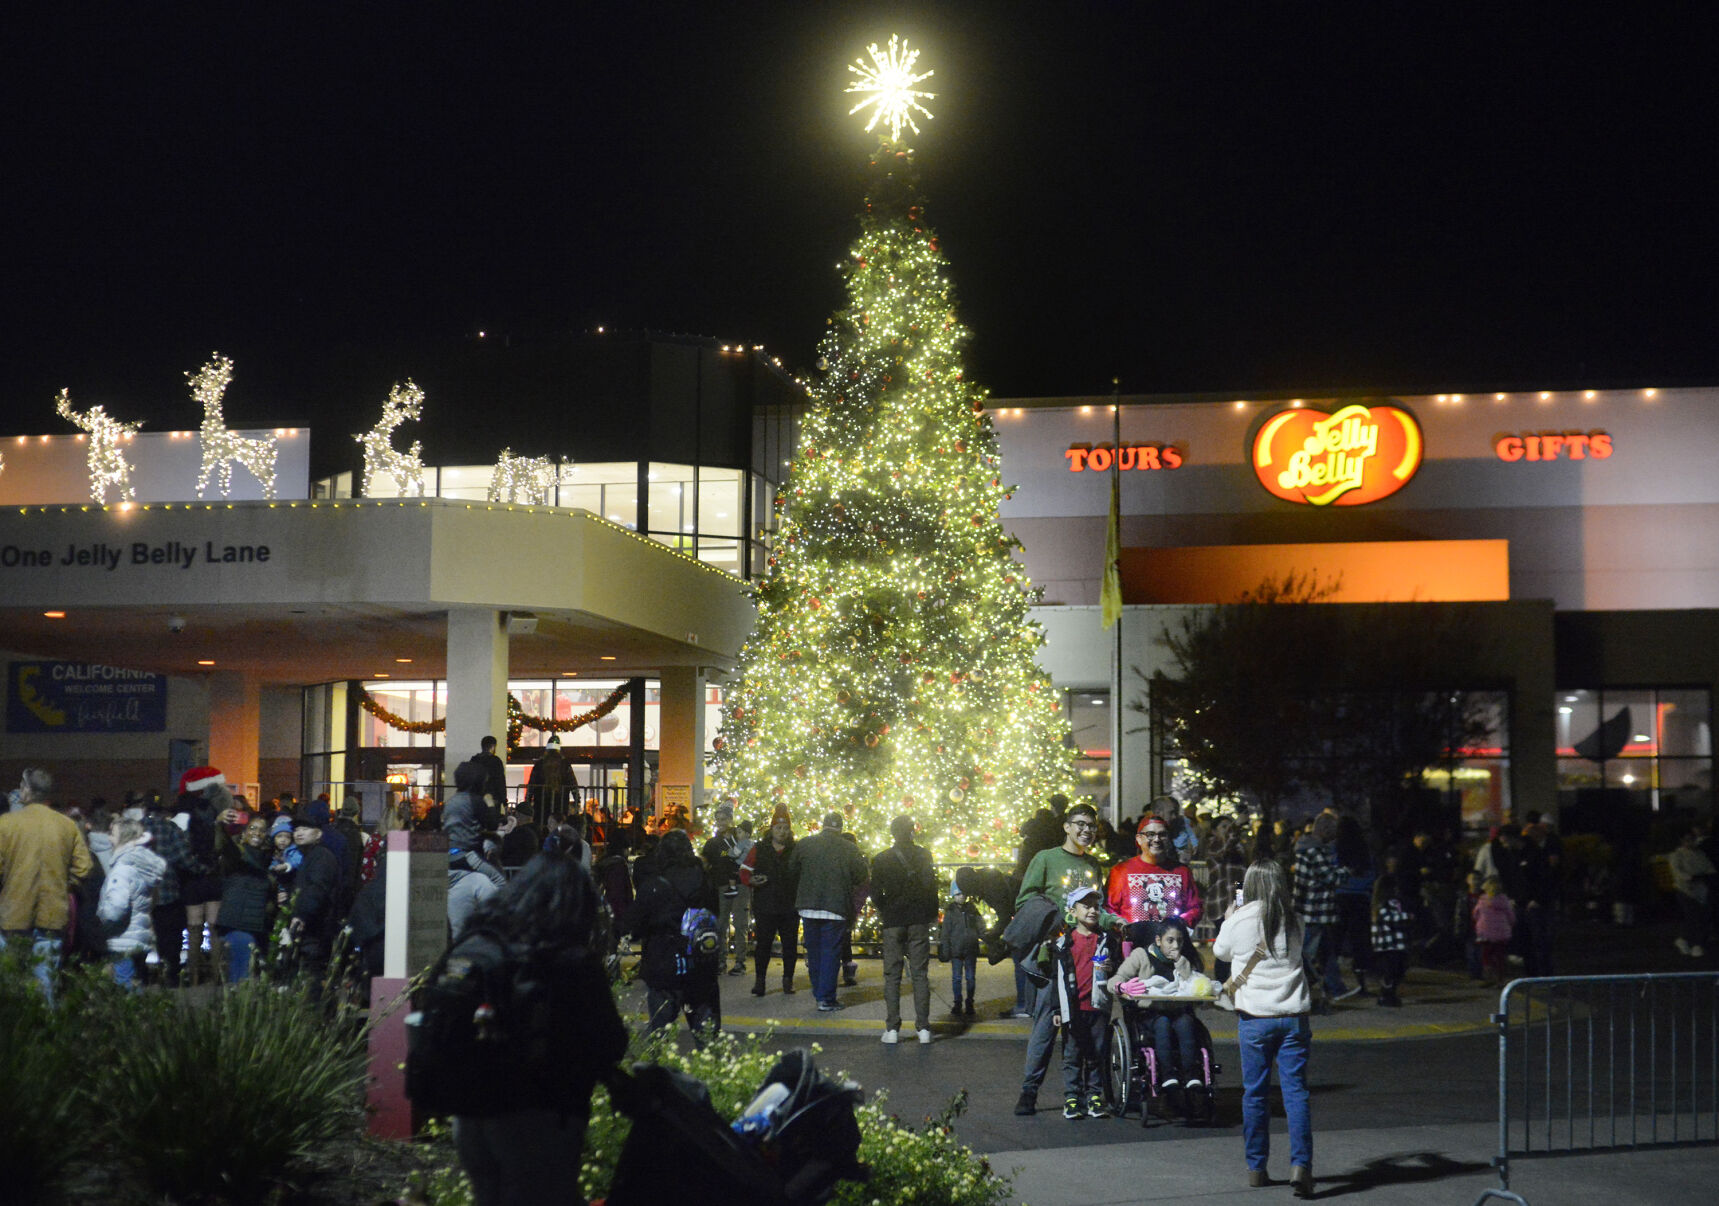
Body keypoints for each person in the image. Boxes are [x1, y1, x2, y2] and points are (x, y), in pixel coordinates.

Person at [450, 850, 626, 1206]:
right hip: (537, 1114)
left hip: (469, 1113)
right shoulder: (569, 959)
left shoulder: (483, 940)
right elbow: (610, 1042)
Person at [1213, 858, 1315, 1197]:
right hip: (1293, 1017)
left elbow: (1220, 952)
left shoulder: (1240, 919)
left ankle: (1257, 1168)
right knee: (1295, 1093)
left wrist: (1229, 919)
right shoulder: (1296, 919)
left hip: (1255, 1020)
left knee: (1255, 1094)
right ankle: (1301, 1165)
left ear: (1251, 884)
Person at [1014, 800, 1115, 1115]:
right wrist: (1058, 919)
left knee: (1088, 1025)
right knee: (1047, 1024)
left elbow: (1100, 911)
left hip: (1087, 957)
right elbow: (1025, 899)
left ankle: (1087, 1093)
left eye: (1091, 826)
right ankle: (1029, 1093)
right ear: (1067, 827)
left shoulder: (1094, 866)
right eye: (1080, 824)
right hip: (1055, 954)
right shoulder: (1045, 859)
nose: (1086, 831)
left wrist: (1119, 923)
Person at [0, 773, 96, 1003]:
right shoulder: (66, 825)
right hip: (52, 915)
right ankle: (47, 1033)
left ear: (25, 790)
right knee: (46, 986)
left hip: (13, 915)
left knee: (10, 985)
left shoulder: (6, 824)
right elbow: (84, 867)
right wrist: (65, 883)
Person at [626, 828, 722, 1041]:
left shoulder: (655, 883)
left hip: (664, 966)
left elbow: (633, 925)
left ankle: (656, 1073)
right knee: (707, 1038)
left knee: (659, 1037)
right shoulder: (704, 879)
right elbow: (714, 914)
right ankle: (708, 1073)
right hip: (700, 967)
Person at [1109, 915, 1204, 1116]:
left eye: (1179, 941)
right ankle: (1168, 1077)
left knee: (1187, 1023)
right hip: (1150, 1014)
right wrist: (1122, 986)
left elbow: (1193, 983)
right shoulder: (1140, 956)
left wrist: (1180, 961)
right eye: (1170, 940)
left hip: (1178, 1011)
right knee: (1162, 1024)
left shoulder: (1183, 959)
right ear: (1158, 940)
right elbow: (1116, 979)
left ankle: (1191, 1077)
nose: (1175, 945)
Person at [1045, 885, 1119, 1120]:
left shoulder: (1106, 940)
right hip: (1072, 1008)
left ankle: (1095, 1096)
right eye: (1086, 906)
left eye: (1096, 907)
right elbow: (1056, 979)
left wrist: (1112, 969)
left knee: (1096, 1052)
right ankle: (1072, 1096)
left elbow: (1117, 966)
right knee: (1073, 1053)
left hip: (1098, 1006)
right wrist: (1057, 1007)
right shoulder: (1064, 943)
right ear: (1073, 911)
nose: (1092, 911)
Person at [788, 811, 870, 1012]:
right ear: (840, 828)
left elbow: (792, 870)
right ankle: (826, 998)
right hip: (835, 908)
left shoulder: (805, 844)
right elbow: (861, 875)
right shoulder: (849, 848)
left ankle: (818, 991)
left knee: (814, 952)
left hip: (808, 907)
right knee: (831, 953)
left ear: (823, 825)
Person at [870, 814, 939, 1045]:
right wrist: (929, 914)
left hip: (893, 921)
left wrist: (886, 908)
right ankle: (924, 1029)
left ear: (892, 833)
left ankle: (892, 1029)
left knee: (892, 975)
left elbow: (874, 893)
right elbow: (931, 888)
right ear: (912, 831)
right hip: (918, 919)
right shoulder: (924, 855)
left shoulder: (881, 859)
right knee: (920, 975)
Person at [96, 816, 167, 990]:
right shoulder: (142, 865)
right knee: (138, 984)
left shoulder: (122, 869)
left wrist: (101, 916)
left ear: (123, 837)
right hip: (140, 935)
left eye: (112, 833)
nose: (109, 838)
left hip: (123, 939)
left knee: (125, 987)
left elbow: (116, 909)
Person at [740, 805, 800, 996]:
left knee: (790, 945)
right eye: (778, 828)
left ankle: (787, 981)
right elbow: (744, 871)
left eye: (785, 829)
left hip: (789, 906)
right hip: (765, 905)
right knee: (763, 945)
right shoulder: (760, 848)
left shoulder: (795, 850)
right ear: (772, 829)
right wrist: (751, 881)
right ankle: (760, 982)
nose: (782, 832)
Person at [1106, 814, 1203, 932]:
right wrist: (1121, 926)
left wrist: (1180, 924)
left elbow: (1195, 907)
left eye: (1162, 835)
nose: (1157, 839)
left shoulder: (1182, 872)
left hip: (1171, 946)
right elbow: (1109, 908)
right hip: (1133, 945)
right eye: (1151, 834)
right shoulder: (1121, 871)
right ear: (1139, 839)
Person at [1292, 812, 1347, 1007]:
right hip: (1316, 910)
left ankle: (1335, 988)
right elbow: (1331, 878)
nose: (1335, 834)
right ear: (1324, 830)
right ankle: (1300, 989)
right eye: (1333, 830)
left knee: (1324, 952)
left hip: (1309, 909)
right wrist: (1347, 870)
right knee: (1310, 953)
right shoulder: (1316, 851)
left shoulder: (1307, 848)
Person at [213, 811, 275, 982]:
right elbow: (224, 845)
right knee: (241, 977)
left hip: (257, 926)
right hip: (237, 924)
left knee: (250, 978)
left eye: (262, 830)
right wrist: (219, 824)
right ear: (244, 832)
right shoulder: (237, 856)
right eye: (253, 828)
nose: (257, 833)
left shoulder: (268, 858)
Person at [288, 817, 344, 995]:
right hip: (315, 926)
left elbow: (316, 889)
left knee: (312, 975)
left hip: (317, 927)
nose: (299, 833)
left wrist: (301, 915)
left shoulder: (321, 857)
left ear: (318, 833)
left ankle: (315, 1015)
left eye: (305, 828)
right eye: (296, 830)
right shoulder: (311, 856)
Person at [699, 802, 752, 976]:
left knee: (740, 924)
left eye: (723, 819)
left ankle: (740, 962)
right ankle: (720, 961)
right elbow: (705, 863)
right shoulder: (713, 843)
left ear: (731, 819)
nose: (720, 822)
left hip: (741, 886)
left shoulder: (741, 839)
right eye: (718, 819)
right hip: (721, 887)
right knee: (720, 925)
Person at [1369, 851, 1414, 1007]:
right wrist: (1407, 917)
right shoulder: (1386, 904)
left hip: (1387, 945)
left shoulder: (1380, 903)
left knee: (1394, 971)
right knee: (1392, 972)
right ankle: (1386, 996)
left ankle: (1389, 995)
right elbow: (1389, 918)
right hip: (1391, 944)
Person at [1669, 828, 1716, 958]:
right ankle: (1696, 944)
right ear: (1681, 841)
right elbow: (1678, 872)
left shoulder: (1700, 854)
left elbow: (1709, 869)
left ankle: (1685, 940)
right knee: (1693, 917)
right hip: (1685, 890)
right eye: (1687, 840)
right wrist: (1691, 877)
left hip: (1701, 890)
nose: (1690, 842)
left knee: (1702, 917)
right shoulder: (1676, 855)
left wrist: (1705, 876)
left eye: (1692, 839)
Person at [942, 871, 982, 1018]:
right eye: (958, 894)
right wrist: (945, 949)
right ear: (954, 895)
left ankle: (969, 1002)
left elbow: (980, 925)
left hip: (970, 948)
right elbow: (946, 932)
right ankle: (957, 1002)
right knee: (957, 977)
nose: (962, 897)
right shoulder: (950, 912)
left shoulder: (972, 909)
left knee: (970, 977)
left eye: (963, 894)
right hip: (956, 949)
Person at [1473, 874, 1516, 985]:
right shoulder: (1504, 900)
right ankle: (1500, 979)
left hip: (1485, 933)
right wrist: (1510, 924)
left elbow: (1475, 914)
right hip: (1501, 934)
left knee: (1486, 956)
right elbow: (1510, 916)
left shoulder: (1482, 899)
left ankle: (1488, 978)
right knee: (1500, 956)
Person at [525, 735, 575, 830]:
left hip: (541, 805)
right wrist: (577, 802)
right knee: (559, 829)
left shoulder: (539, 765)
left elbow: (531, 785)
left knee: (541, 829)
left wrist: (527, 801)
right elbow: (573, 784)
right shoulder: (565, 765)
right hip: (560, 804)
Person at [472, 735, 509, 825]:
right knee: (491, 825)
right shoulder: (495, 761)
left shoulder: (474, 761)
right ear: (493, 747)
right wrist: (504, 801)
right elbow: (500, 782)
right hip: (493, 799)